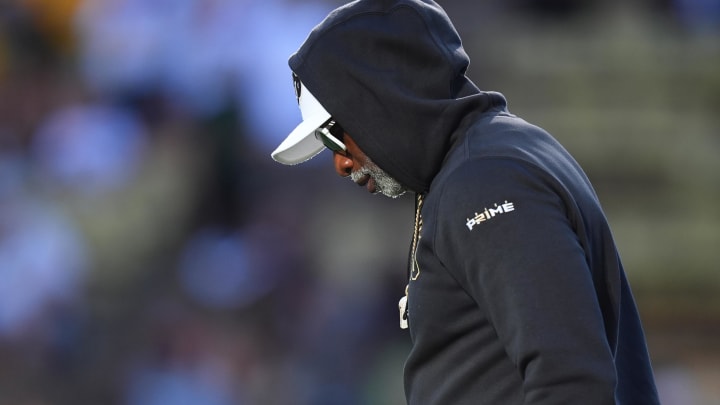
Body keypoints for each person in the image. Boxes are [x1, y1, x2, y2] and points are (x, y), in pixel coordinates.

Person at [270, 0, 661, 404]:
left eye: (334, 137)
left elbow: (572, 382)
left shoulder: (486, 180)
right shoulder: (488, 161)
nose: (340, 163)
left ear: (379, 102)